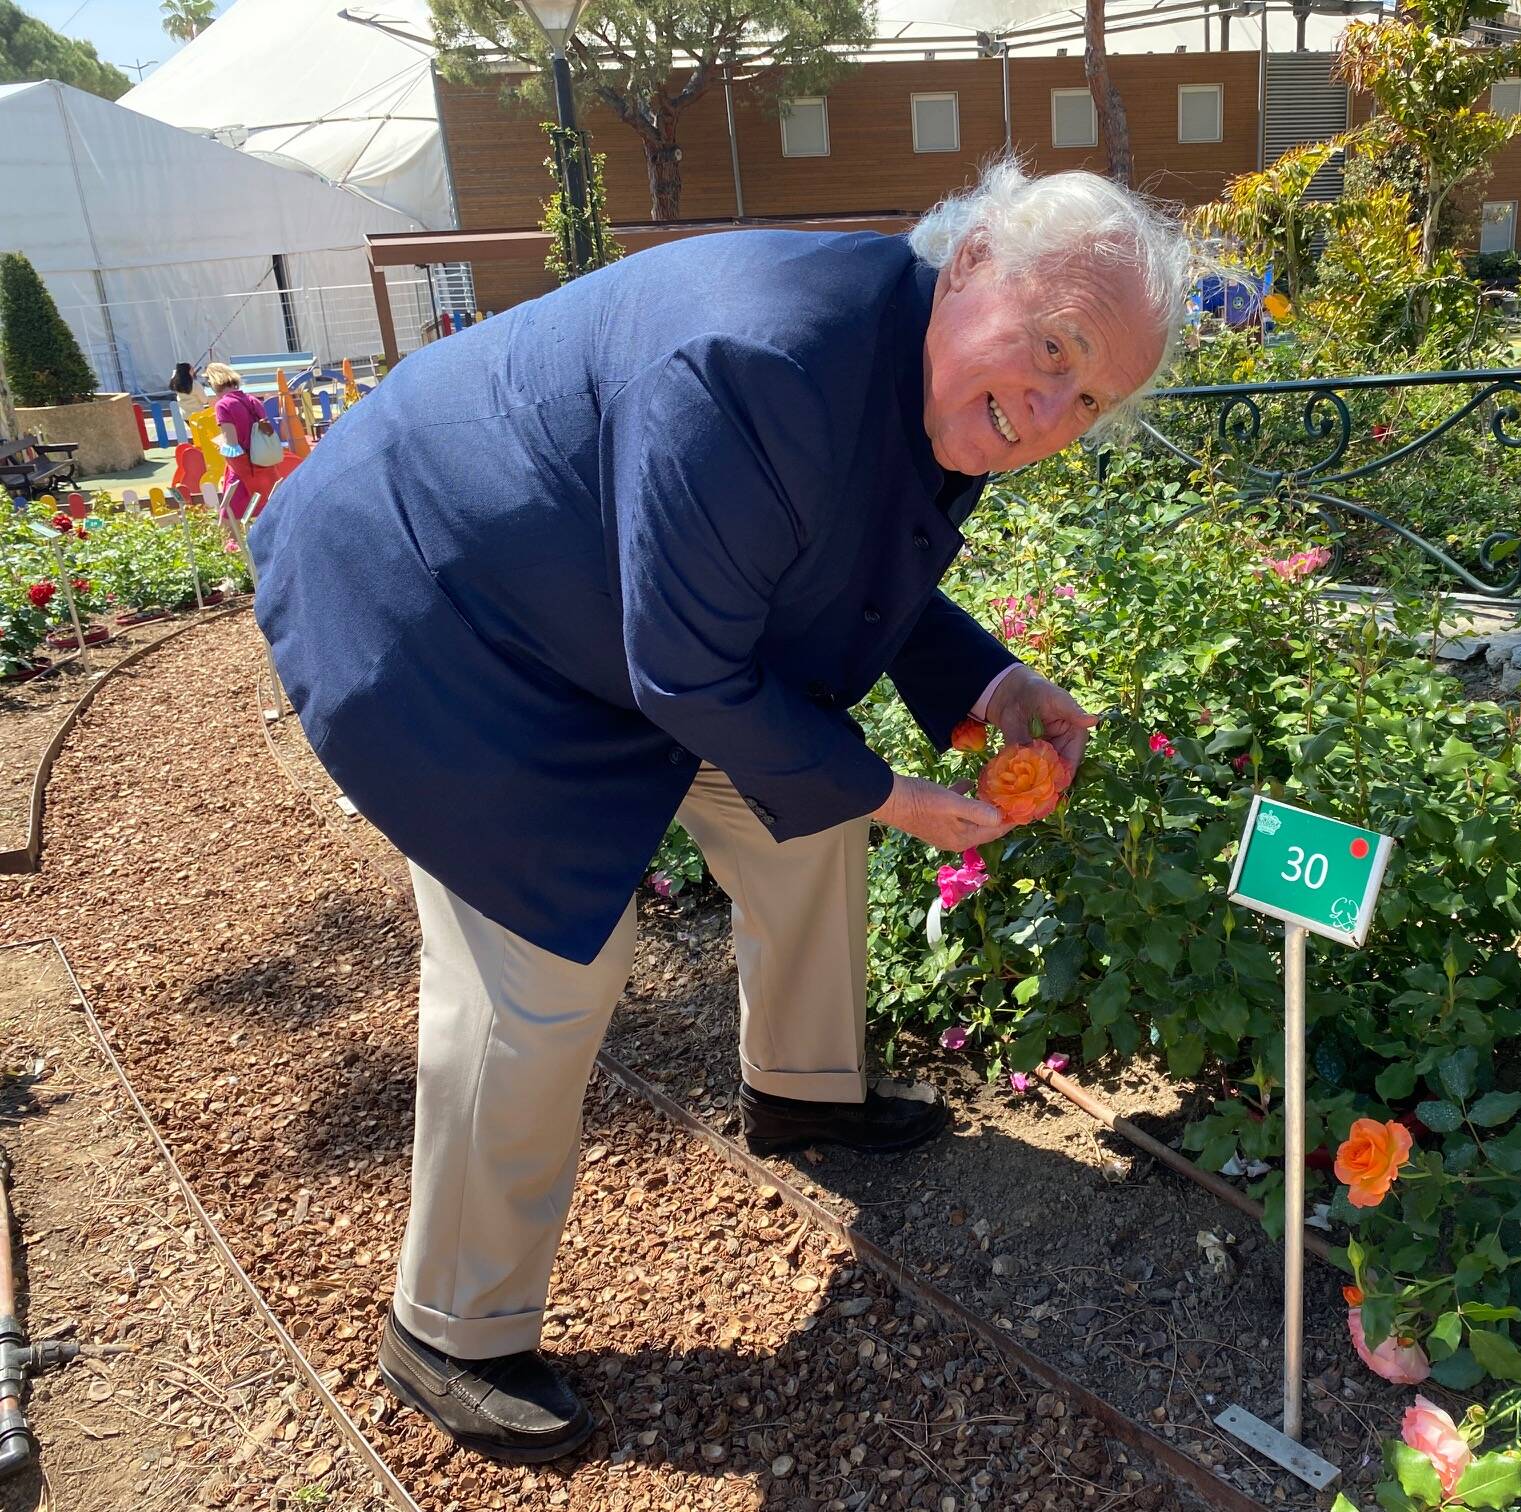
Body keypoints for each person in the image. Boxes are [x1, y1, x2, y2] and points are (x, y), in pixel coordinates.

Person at [251, 161, 1195, 1464]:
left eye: (1088, 396)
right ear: (972, 260)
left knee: (795, 819)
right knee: (542, 982)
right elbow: (689, 672)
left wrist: (991, 680)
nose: (1048, 408)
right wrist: (896, 797)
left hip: (615, 610)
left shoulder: (911, 361)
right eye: (1051, 348)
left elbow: (841, 569)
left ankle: (802, 1093)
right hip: (452, 615)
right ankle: (446, 1328)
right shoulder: (766, 361)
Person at [204, 363, 280, 526]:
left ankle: (230, 550)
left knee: (228, 519)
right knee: (268, 513)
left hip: (242, 469)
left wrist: (219, 443)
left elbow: (231, 444)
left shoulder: (223, 405)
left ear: (214, 382)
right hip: (265, 464)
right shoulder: (253, 401)